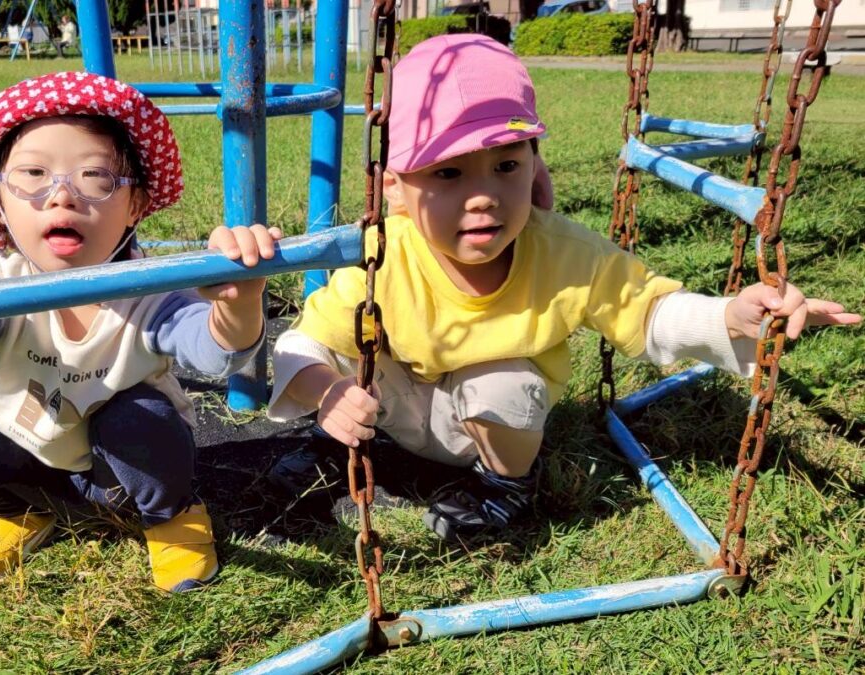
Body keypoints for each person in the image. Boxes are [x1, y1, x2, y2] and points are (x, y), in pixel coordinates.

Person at [265, 34, 860, 543]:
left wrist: (732, 316)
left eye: (506, 166)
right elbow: (301, 343)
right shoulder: (383, 253)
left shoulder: (562, 252)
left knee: (506, 379)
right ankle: (330, 445)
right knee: (345, 350)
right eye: (448, 172)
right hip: (389, 409)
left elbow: (647, 310)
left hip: (482, 430)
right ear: (395, 186)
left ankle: (505, 487)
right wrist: (328, 394)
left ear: (534, 164)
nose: (484, 196)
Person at [0, 72, 281, 592]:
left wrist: (239, 304)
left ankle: (171, 515)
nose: (61, 196)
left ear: (135, 205)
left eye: (94, 177)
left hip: (124, 475)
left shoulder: (147, 288)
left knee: (139, 416)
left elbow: (213, 351)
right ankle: (27, 514)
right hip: (39, 462)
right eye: (33, 174)